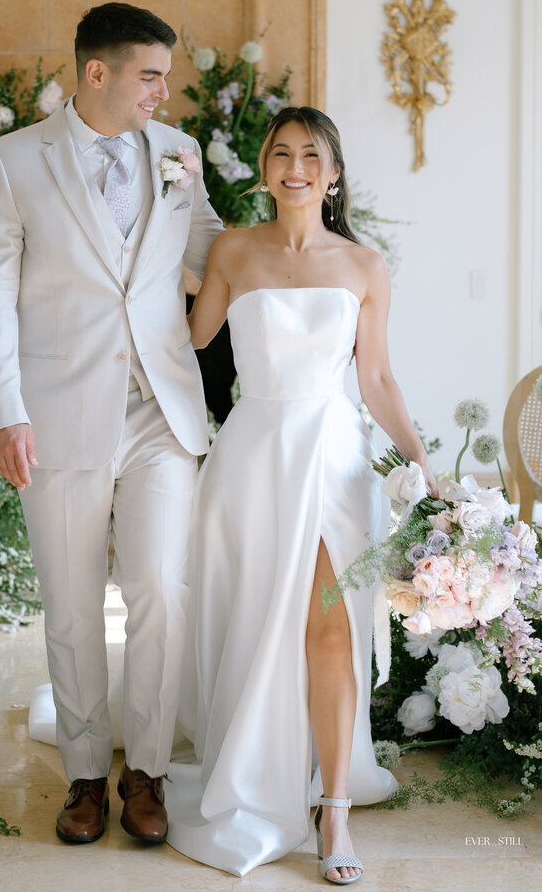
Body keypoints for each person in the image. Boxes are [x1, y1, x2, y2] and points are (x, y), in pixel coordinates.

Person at [0, 2, 223, 846]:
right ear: (96, 72)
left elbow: (213, 255)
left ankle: (145, 768)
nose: (164, 92)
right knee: (71, 604)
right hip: (59, 414)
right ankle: (83, 773)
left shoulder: (178, 153)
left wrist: (313, 267)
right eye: (151, 75)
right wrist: (4, 412)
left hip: (160, 411)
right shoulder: (11, 163)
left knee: (159, 589)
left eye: (166, 77)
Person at [164, 107, 437, 882]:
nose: (294, 168)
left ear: (334, 174)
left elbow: (375, 378)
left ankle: (334, 809)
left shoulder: (364, 266)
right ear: (264, 168)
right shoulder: (233, 250)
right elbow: (190, 342)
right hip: (251, 459)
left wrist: (420, 463)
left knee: (330, 628)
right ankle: (257, 766)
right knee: (255, 624)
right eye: (281, 153)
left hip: (336, 460)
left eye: (311, 156)